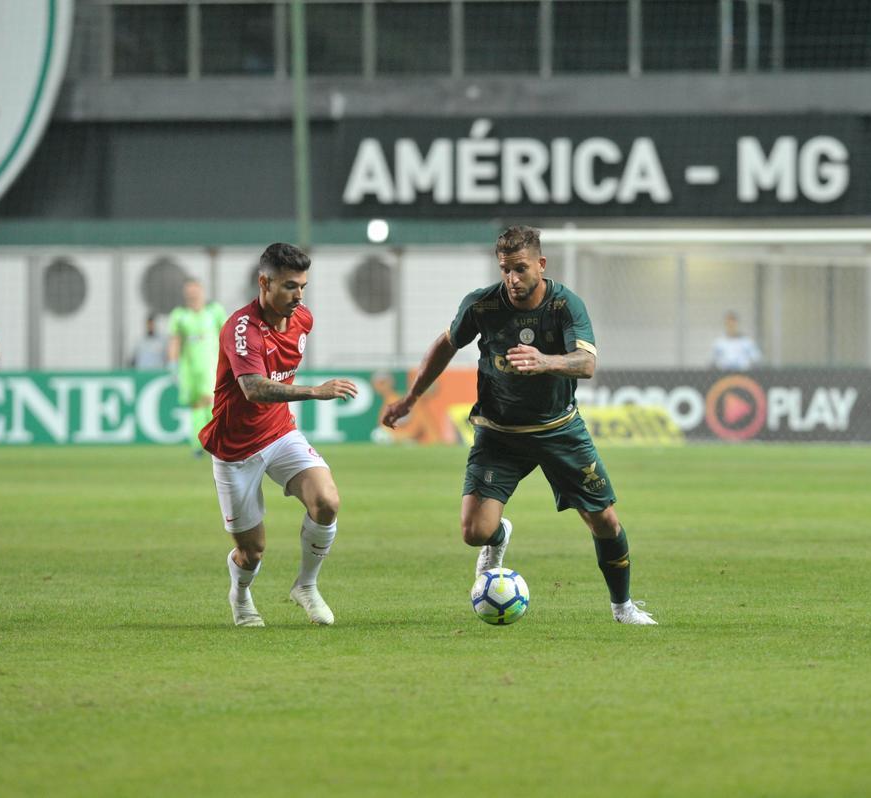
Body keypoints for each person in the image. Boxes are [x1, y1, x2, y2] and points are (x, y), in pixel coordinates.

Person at [380, 225, 657, 625]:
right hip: (499, 434)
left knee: (605, 521)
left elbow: (587, 363)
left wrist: (546, 361)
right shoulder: (482, 306)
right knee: (474, 531)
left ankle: (623, 607)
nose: (512, 279)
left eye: (521, 269)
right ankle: (498, 537)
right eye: (505, 270)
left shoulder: (565, 306)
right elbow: (445, 344)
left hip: (559, 429)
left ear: (541, 265)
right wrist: (411, 397)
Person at [200, 243, 358, 626]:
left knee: (327, 501)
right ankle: (240, 594)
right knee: (252, 552)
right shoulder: (241, 329)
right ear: (263, 283)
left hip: (279, 433)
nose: (299, 295)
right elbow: (253, 389)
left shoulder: (302, 319)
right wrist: (313, 391)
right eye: (289, 286)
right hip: (235, 449)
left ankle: (306, 585)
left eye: (302, 286)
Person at [168, 278, 227, 455]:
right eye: (189, 292)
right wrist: (173, 362)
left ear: (202, 292)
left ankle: (214, 442)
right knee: (195, 405)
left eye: (195, 291)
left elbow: (226, 335)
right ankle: (197, 445)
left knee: (211, 401)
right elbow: (175, 341)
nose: (192, 295)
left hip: (212, 364)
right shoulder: (180, 315)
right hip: (189, 367)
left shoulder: (214, 312)